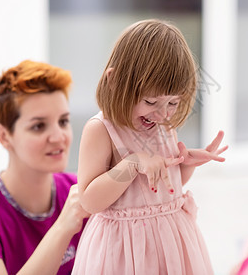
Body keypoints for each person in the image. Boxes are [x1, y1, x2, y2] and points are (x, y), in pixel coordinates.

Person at [72, 19, 228, 275]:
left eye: (173, 103)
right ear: (114, 80)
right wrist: (132, 164)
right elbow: (89, 201)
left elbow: (164, 188)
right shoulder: (101, 130)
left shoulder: (163, 124)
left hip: (171, 241)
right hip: (123, 250)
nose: (163, 113)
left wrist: (186, 164)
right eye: (151, 101)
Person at [0, 60, 90, 274]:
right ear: (4, 136)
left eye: (63, 121)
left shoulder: (83, 190)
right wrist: (63, 227)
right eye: (38, 126)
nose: (59, 137)